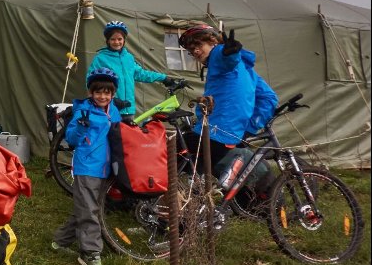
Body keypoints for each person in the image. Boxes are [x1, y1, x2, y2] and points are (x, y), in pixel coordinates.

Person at [177, 24, 278, 175]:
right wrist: (249, 129)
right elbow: (269, 98)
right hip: (230, 135)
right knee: (203, 173)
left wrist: (229, 53)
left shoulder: (218, 55)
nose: (195, 51)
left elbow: (226, 60)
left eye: (198, 45)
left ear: (213, 42)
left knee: (168, 154)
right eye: (191, 50)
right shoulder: (246, 68)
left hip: (214, 133)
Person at [51, 67, 122, 265]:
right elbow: (71, 139)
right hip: (87, 167)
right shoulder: (83, 110)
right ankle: (89, 253)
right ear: (91, 92)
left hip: (106, 168)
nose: (102, 96)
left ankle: (59, 241)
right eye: (98, 92)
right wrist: (81, 127)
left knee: (88, 206)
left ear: (112, 94)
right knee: (89, 209)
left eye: (107, 92)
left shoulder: (113, 111)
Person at [86, 21, 183, 120]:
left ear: (124, 40)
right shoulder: (100, 58)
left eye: (120, 39)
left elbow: (141, 74)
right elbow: (90, 82)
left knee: (129, 135)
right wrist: (111, 100)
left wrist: (164, 78)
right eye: (113, 39)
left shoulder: (128, 57)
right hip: (109, 108)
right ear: (108, 41)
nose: (116, 42)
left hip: (129, 109)